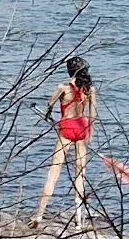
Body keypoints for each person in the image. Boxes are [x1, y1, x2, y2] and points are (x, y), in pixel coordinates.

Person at [35, 57, 97, 229]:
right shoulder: (90, 89)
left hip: (66, 128)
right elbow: (93, 114)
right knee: (80, 174)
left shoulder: (62, 88)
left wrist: (48, 113)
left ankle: (39, 215)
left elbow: (49, 105)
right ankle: (79, 220)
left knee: (53, 172)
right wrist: (89, 135)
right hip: (82, 128)